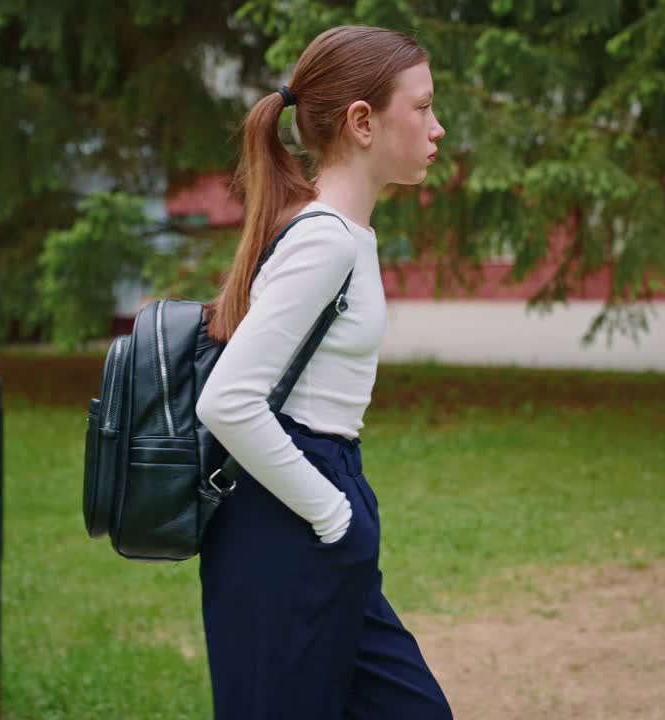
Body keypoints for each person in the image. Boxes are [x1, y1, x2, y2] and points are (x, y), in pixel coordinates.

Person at [193, 24, 451, 720]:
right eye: (422, 108)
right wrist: (333, 515)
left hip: (317, 503)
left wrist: (339, 515)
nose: (438, 128)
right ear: (363, 122)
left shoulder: (344, 234)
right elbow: (227, 401)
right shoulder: (325, 241)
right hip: (290, 518)